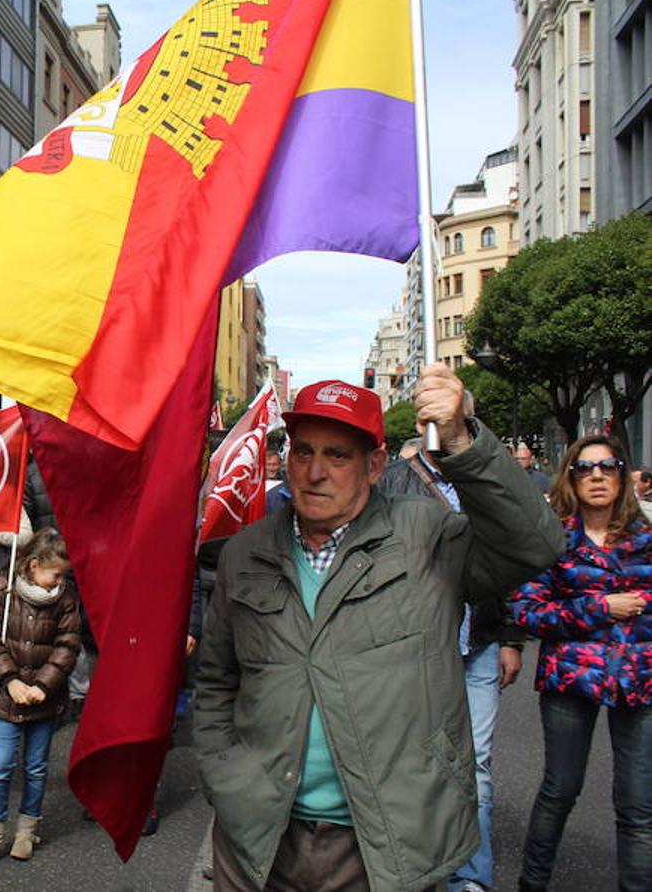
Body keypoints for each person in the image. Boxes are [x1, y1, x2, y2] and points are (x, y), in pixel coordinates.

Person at [194, 364, 564, 892]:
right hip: (258, 836)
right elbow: (216, 681)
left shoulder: (428, 535)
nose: (315, 471)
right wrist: (224, 777)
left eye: (337, 455)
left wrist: (461, 441)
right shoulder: (247, 553)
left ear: (375, 465)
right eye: (304, 451)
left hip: (386, 843)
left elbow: (535, 544)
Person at [378, 418, 525, 892]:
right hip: (415, 648)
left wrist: (510, 638)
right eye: (433, 420)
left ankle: (469, 879)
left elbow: (511, 560)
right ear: (421, 426)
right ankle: (410, 869)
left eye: (451, 417)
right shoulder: (394, 482)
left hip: (477, 645)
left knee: (475, 766)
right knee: (411, 760)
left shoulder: (482, 481)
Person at [510, 434, 651, 891]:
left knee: (638, 807)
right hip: (571, 678)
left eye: (608, 466)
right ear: (570, 475)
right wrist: (600, 608)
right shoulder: (553, 537)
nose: (596, 475)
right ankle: (532, 885)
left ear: (622, 476)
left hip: (639, 679)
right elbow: (528, 611)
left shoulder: (645, 539)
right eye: (585, 467)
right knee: (560, 790)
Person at [0, 528, 80, 867]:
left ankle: (27, 830)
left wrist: (43, 685)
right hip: (5, 696)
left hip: (43, 698)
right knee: (1, 765)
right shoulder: (2, 592)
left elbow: (67, 645)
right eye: (55, 574)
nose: (58, 581)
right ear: (33, 565)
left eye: (63, 575)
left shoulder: (65, 600)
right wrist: (11, 680)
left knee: (35, 767)